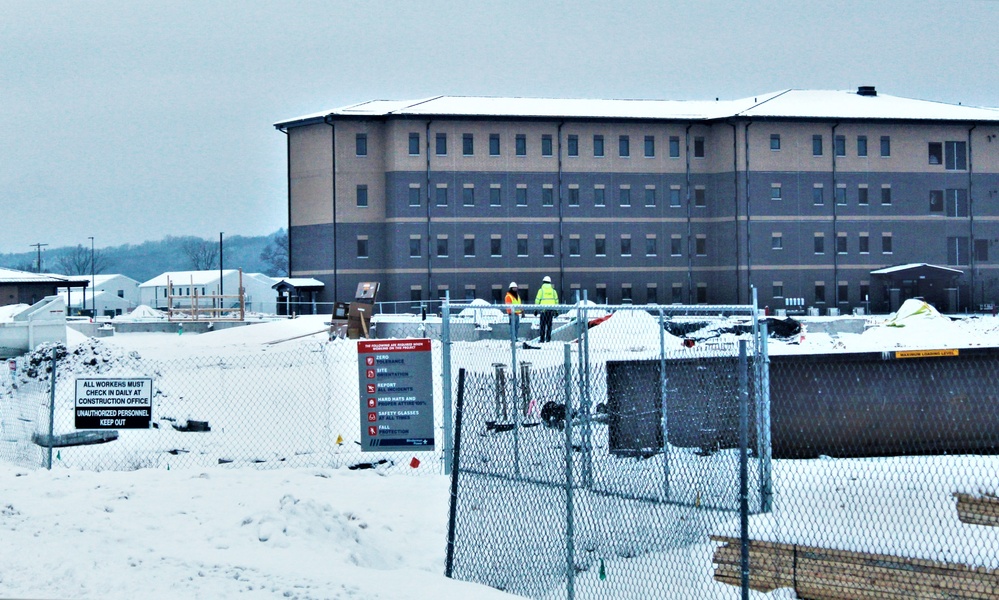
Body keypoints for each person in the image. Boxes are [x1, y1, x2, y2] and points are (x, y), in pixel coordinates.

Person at [534, 275, 559, 343]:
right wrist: (556, 311)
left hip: (543, 311)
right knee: (549, 326)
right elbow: (556, 301)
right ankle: (548, 339)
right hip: (551, 311)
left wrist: (535, 310)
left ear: (543, 282)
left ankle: (542, 339)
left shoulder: (541, 291)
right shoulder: (553, 291)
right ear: (550, 283)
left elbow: (537, 300)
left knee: (542, 326)